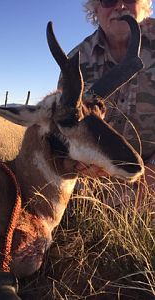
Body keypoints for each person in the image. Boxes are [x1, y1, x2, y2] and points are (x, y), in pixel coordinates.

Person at [58, 0, 155, 205]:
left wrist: (151, 173)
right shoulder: (76, 60)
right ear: (95, 8)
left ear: (144, 4)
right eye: (109, 1)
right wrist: (75, 163)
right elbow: (61, 127)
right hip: (96, 179)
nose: (120, 6)